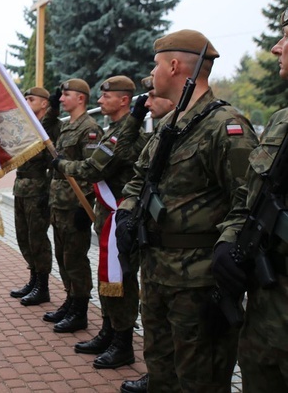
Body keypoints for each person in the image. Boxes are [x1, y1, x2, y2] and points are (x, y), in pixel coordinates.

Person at [115, 30, 258, 392]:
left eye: (156, 64)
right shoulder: (169, 125)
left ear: (175, 66)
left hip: (198, 281)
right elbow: (139, 179)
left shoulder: (225, 127)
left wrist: (230, 246)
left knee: (200, 380)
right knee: (161, 372)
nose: (152, 73)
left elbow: (249, 201)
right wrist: (127, 212)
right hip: (158, 272)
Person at [212, 9, 288, 392]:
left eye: (286, 36)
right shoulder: (280, 121)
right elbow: (250, 193)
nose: (276, 48)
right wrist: (230, 238)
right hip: (268, 298)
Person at [54, 76, 143, 369]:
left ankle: (122, 343)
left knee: (121, 281)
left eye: (107, 97)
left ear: (123, 100)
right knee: (108, 276)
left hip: (121, 217)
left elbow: (93, 168)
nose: (100, 101)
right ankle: (108, 331)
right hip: (109, 216)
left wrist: (61, 164)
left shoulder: (125, 135)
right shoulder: (114, 131)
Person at [115, 76, 175, 393]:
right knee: (155, 323)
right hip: (150, 240)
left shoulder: (213, 126)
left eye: (151, 97)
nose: (147, 102)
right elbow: (129, 158)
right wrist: (137, 117)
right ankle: (158, 376)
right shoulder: (157, 135)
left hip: (186, 254)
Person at [43, 78, 103, 333]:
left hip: (75, 206)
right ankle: (70, 300)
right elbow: (46, 126)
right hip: (60, 204)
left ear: (81, 98)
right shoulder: (68, 127)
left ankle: (80, 310)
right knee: (63, 257)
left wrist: (85, 206)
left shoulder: (90, 129)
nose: (61, 98)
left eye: (66, 95)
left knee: (76, 260)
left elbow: (92, 172)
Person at [9, 87, 60, 305]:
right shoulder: (27, 126)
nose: (26, 102)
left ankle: (43, 286)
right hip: (21, 187)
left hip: (39, 188)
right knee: (24, 237)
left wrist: (47, 192)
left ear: (44, 104)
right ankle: (33, 278)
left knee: (38, 239)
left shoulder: (52, 127)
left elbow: (54, 164)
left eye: (31, 99)